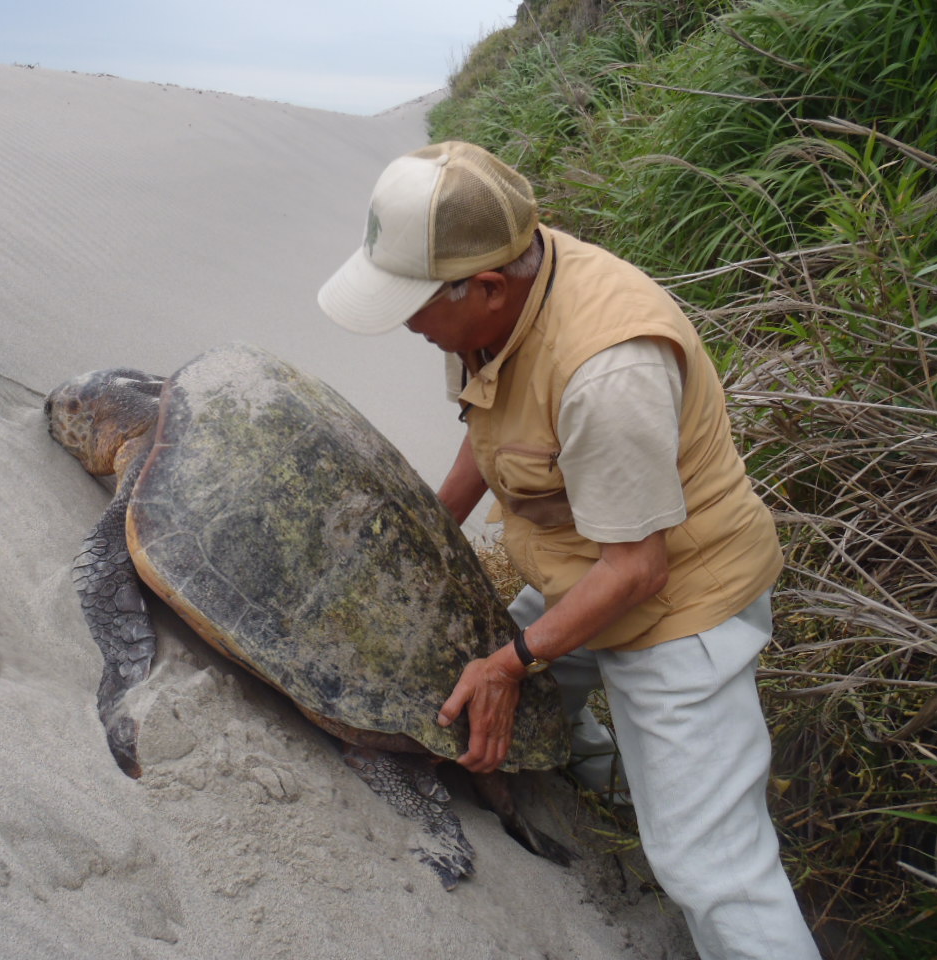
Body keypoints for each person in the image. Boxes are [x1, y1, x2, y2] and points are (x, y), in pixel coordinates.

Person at [317, 141, 820, 960]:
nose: (405, 323)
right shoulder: (496, 304)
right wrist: (430, 523)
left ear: (483, 288)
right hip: (578, 573)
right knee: (515, 696)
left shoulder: (607, 372)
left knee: (712, 872)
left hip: (676, 608)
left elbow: (639, 571)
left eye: (413, 305)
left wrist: (509, 663)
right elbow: (496, 429)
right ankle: (605, 796)